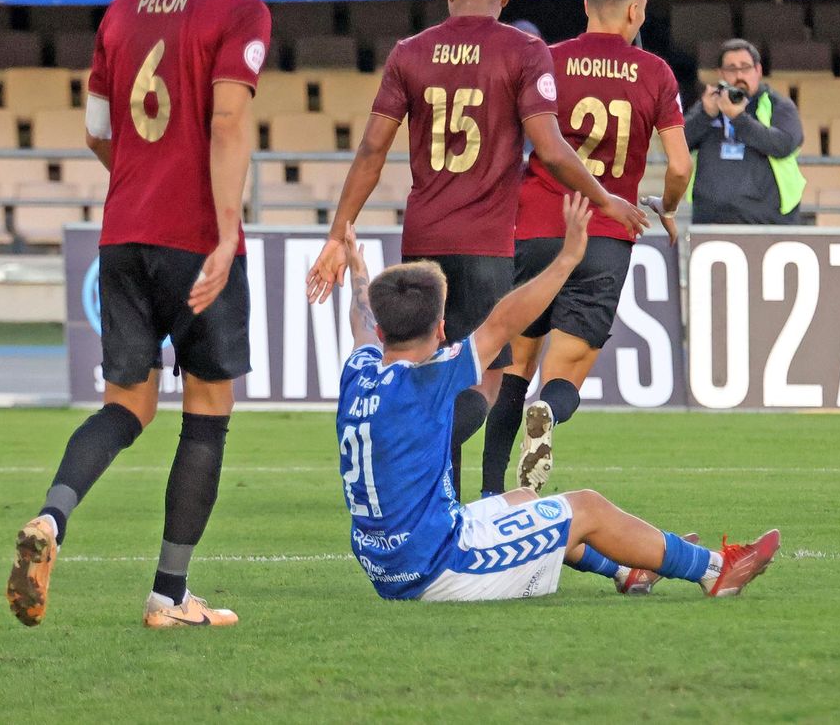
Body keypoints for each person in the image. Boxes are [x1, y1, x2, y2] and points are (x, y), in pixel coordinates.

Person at [6, 0, 270, 630]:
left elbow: (93, 127)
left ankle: (52, 518)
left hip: (122, 231)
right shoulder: (241, 12)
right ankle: (168, 594)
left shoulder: (121, 12)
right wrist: (224, 232)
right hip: (193, 237)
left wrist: (138, 177)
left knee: (127, 406)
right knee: (208, 413)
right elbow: (226, 123)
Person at [306, 0, 649, 500]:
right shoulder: (523, 51)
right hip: (491, 245)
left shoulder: (409, 52)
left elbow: (370, 150)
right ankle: (419, 449)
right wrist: (606, 199)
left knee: (427, 373)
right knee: (483, 379)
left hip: (423, 243)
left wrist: (338, 231)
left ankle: (438, 503)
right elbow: (554, 149)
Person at [334, 202, 780, 603]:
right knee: (585, 506)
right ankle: (717, 571)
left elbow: (362, 319)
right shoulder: (428, 378)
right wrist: (567, 258)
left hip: (387, 565)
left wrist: (357, 267)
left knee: (525, 497)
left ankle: (629, 568)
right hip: (441, 567)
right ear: (441, 329)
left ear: (382, 333)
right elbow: (502, 321)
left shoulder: (360, 371)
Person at [480, 0, 694, 518]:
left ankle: (485, 495)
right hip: (604, 234)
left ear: (584, 7)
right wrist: (665, 207)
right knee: (564, 371)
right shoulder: (655, 73)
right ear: (635, 10)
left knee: (513, 367)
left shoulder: (549, 61)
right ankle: (547, 416)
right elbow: (678, 165)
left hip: (537, 226)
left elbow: (509, 140)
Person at [684, 39, 806, 225]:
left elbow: (784, 145)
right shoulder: (709, 105)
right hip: (710, 220)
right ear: (720, 74)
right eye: (731, 69)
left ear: (758, 71)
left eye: (745, 67)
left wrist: (739, 120)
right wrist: (705, 115)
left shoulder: (778, 105)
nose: (739, 75)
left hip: (766, 222)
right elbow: (678, 144)